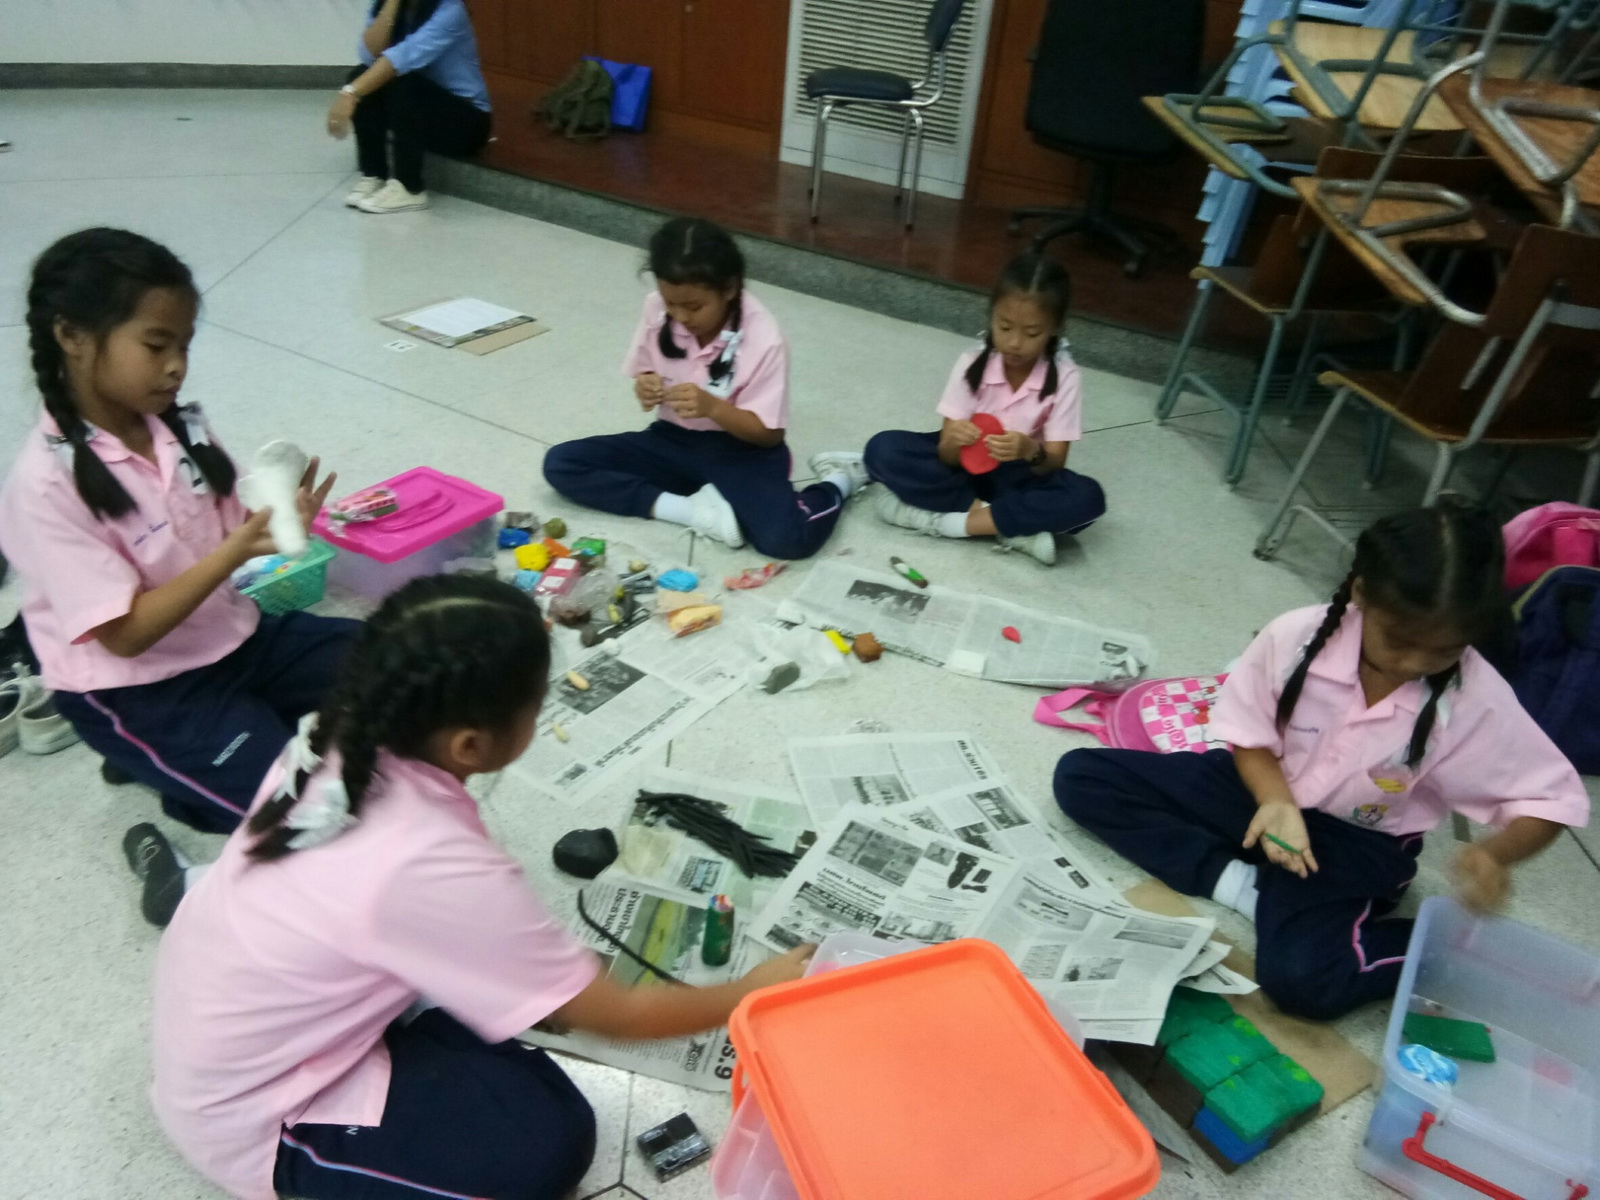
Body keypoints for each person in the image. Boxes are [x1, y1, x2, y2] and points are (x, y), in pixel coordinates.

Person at [151, 574, 813, 1200]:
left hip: (267, 1013)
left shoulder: (338, 738)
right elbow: (618, 1017)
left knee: (530, 1078)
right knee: (548, 1148)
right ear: (470, 745)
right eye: (535, 706)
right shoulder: (426, 860)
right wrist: (749, 993)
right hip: (263, 1106)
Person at [1054, 502, 1589, 1021]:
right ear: (1361, 593)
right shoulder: (1295, 637)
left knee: (1306, 983)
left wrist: (1496, 855)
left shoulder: (1477, 698)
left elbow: (1551, 799)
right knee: (1083, 777)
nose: (1415, 664)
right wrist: (1275, 801)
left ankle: (1432, 945)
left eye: (1444, 651)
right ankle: (1244, 887)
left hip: (1356, 844)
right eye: (1400, 641)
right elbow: (1248, 736)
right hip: (1259, 790)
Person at [0, 228, 360, 924]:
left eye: (185, 346)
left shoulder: (178, 427)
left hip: (234, 637)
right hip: (142, 689)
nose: (176, 368)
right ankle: (183, 839)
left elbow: (225, 527)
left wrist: (278, 523)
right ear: (72, 337)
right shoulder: (43, 484)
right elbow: (126, 635)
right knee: (316, 823)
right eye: (156, 345)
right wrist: (235, 552)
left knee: (403, 672)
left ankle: (187, 769)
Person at [543, 216, 867, 559]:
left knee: (786, 540)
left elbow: (769, 435)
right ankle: (692, 511)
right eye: (671, 304)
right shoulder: (657, 308)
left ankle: (840, 480)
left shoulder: (764, 338)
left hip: (742, 452)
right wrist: (645, 385)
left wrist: (714, 408)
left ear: (729, 289)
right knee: (562, 463)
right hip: (672, 440)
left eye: (694, 307)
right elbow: (647, 369)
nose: (681, 317)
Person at [857, 253, 1106, 567]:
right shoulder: (972, 363)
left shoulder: (1065, 376)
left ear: (1055, 328)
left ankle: (951, 524)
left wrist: (1030, 450)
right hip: (964, 469)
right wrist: (953, 441)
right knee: (882, 449)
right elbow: (947, 455)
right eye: (1004, 327)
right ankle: (1007, 526)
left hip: (1019, 476)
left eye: (1032, 333)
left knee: (1088, 497)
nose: (1014, 343)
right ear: (991, 317)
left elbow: (1054, 463)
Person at [327, 0, 492, 214]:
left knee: (399, 82)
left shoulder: (451, 9)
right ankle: (373, 175)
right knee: (361, 74)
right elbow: (369, 54)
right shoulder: (388, 4)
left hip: (465, 122)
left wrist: (349, 94)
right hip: (422, 114)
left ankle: (409, 188)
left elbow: (404, 57)